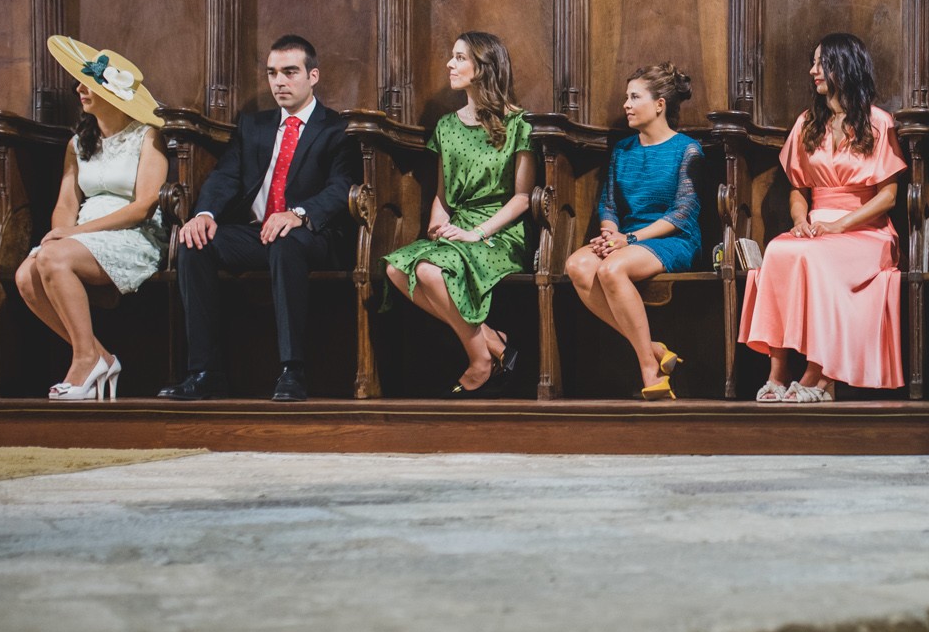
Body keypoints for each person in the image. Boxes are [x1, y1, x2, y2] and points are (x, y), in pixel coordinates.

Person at [160, 34, 361, 402]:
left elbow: (341, 187)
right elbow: (226, 175)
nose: (279, 82)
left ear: (312, 76)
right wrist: (204, 214)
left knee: (285, 241)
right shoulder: (254, 126)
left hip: (313, 235)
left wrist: (299, 214)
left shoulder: (336, 129)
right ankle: (205, 373)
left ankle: (292, 371)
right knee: (194, 243)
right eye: (272, 73)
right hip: (256, 233)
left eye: (289, 72)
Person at [739, 32, 906, 402]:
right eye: (814, 63)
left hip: (866, 230)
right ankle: (778, 372)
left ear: (843, 67)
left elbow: (889, 196)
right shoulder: (807, 123)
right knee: (780, 252)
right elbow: (798, 187)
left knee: (817, 259)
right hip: (816, 226)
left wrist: (839, 225)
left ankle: (819, 375)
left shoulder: (879, 122)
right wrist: (800, 221)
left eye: (821, 63)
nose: (813, 71)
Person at [17, 36, 171, 401]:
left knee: (53, 257)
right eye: (80, 82)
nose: (80, 89)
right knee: (26, 274)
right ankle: (98, 355)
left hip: (132, 234)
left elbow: (145, 205)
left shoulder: (148, 136)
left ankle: (85, 360)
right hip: (80, 234)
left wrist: (73, 234)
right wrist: (59, 233)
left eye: (89, 83)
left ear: (113, 92)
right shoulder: (77, 142)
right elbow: (66, 202)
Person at [383, 32, 535, 397]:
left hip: (500, 231)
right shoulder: (447, 126)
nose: (450, 65)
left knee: (429, 272)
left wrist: (477, 233)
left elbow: (522, 199)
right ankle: (493, 343)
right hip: (458, 226)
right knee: (394, 269)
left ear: (484, 68)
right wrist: (438, 222)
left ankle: (480, 359)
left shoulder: (519, 124)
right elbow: (443, 194)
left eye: (459, 58)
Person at [564, 63, 703, 400]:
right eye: (626, 97)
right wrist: (611, 234)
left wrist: (628, 240)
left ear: (660, 104)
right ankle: (654, 348)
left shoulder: (688, 149)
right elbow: (609, 206)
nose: (625, 104)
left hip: (672, 239)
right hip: (627, 238)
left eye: (634, 97)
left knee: (612, 269)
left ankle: (648, 367)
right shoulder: (623, 150)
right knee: (577, 265)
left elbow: (683, 213)